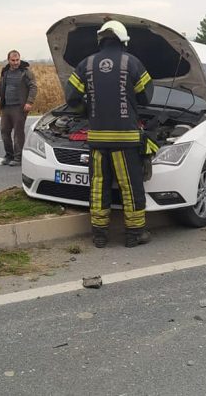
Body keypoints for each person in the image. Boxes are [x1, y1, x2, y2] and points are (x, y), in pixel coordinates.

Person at [64, 20, 154, 248]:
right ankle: (135, 234)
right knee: (130, 187)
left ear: (100, 40)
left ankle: (99, 235)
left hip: (97, 140)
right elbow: (146, 97)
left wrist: (88, 110)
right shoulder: (131, 62)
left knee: (98, 186)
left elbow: (71, 98)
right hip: (126, 141)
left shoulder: (86, 64)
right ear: (124, 41)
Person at [0, 50, 38, 166]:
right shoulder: (5, 72)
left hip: (19, 107)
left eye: (17, 60)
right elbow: (0, 85)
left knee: (18, 133)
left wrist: (29, 102)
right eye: (13, 60)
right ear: (8, 60)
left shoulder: (26, 72)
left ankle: (18, 158)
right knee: (4, 131)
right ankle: (9, 155)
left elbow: (33, 87)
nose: (16, 62)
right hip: (6, 107)